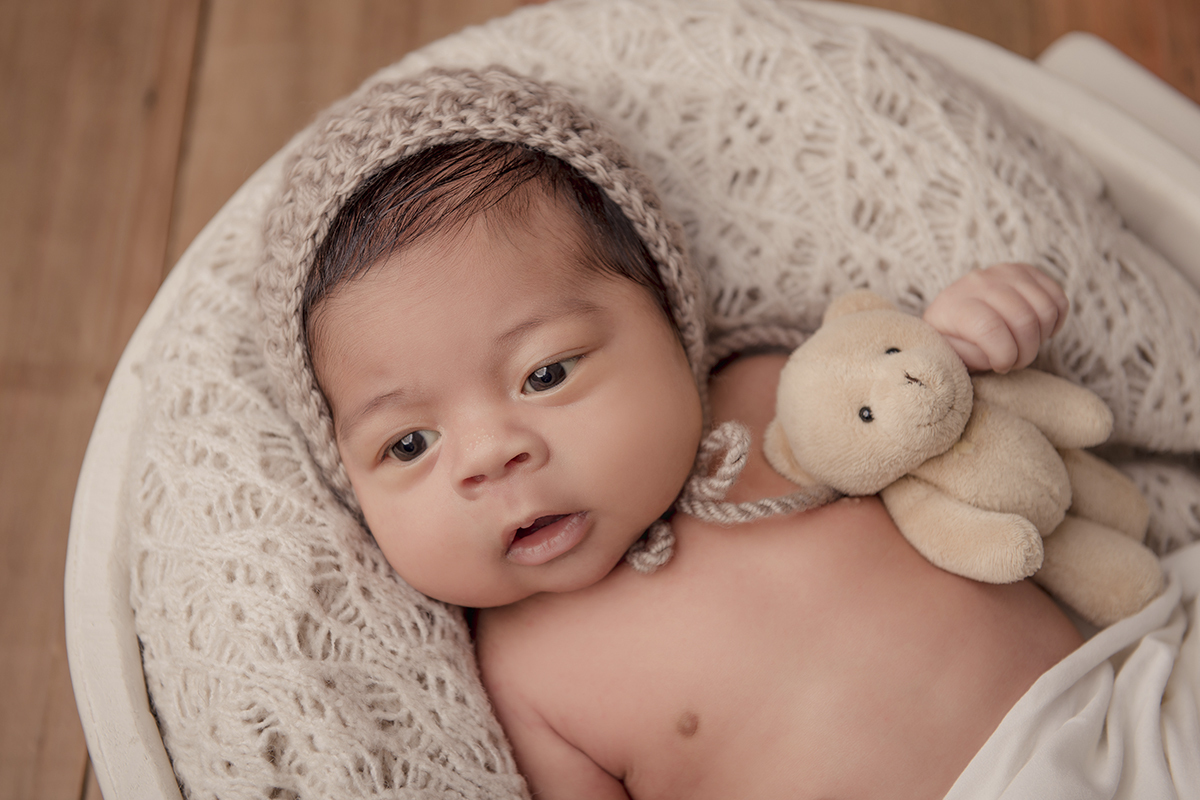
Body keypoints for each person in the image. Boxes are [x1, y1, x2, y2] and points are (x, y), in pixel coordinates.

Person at [261, 67, 1080, 800]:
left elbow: (934, 408)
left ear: (671, 319)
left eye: (546, 373)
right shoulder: (523, 679)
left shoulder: (772, 388)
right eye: (408, 444)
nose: (488, 456)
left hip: (1113, 710)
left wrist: (971, 333)